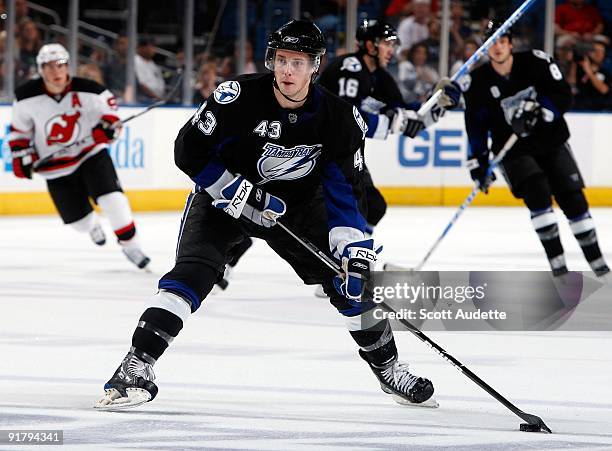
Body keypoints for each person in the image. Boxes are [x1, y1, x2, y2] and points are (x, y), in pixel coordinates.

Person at [95, 19, 437, 411]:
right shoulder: (237, 96)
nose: (287, 70)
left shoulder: (338, 118)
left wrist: (353, 247)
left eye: (298, 61)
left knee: (351, 285)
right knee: (192, 274)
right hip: (222, 199)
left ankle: (389, 369)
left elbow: (344, 189)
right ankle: (137, 364)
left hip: (298, 207)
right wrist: (230, 189)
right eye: (282, 59)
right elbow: (188, 150)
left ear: (315, 65)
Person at [462, 21, 609, 277]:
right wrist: (478, 163)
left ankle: (600, 267)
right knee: (538, 193)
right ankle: (560, 269)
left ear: (510, 43)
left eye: (501, 41)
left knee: (574, 201)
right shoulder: (477, 82)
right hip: (514, 151)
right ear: (485, 48)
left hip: (551, 141)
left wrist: (542, 111)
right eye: (491, 42)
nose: (497, 47)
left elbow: (563, 94)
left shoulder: (536, 62)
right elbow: (475, 127)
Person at [8, 43, 151, 270]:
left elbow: (112, 120)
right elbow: (19, 132)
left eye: (60, 65)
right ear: (40, 69)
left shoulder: (91, 90)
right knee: (79, 224)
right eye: (49, 66)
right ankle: (92, 225)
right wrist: (21, 155)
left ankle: (131, 246)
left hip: (90, 155)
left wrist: (107, 130)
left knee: (113, 201)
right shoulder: (25, 97)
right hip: (54, 167)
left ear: (68, 67)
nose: (56, 71)